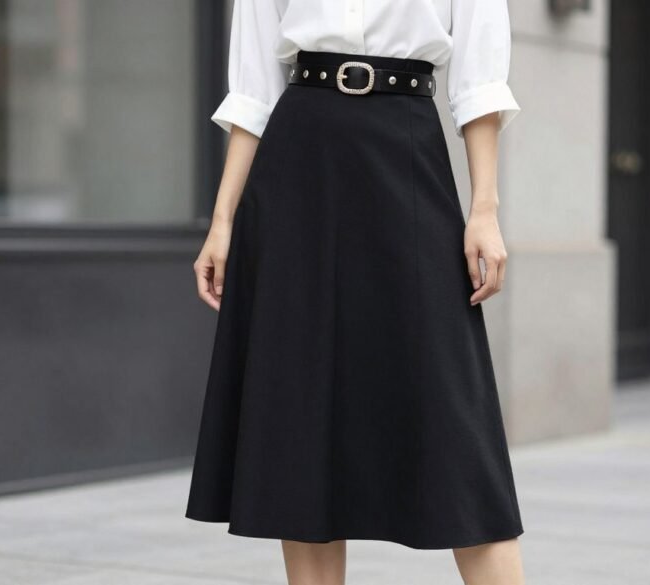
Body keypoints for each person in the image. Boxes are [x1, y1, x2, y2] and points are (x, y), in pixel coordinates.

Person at [186, 1, 525, 583]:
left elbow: (480, 78)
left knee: (454, 419)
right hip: (297, 163)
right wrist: (223, 218)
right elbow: (254, 88)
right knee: (299, 413)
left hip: (406, 151)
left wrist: (485, 208)